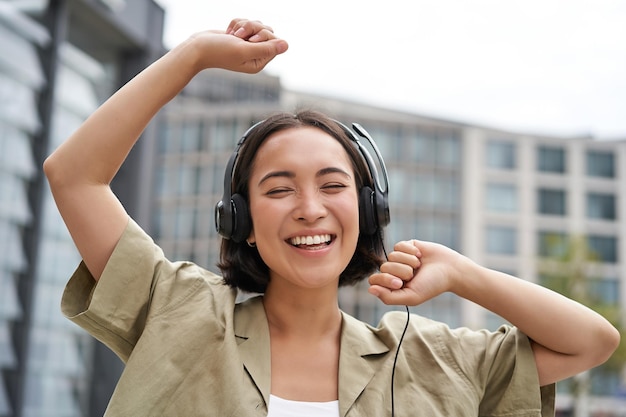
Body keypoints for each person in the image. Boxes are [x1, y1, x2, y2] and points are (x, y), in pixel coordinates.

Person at [44, 18, 619, 417]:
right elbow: (74, 175)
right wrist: (192, 56)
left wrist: (464, 273)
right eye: (278, 189)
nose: (310, 209)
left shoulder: (427, 357)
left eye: (332, 185)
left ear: (368, 211)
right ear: (239, 217)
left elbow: (591, 341)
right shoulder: (180, 311)